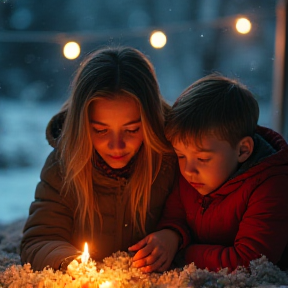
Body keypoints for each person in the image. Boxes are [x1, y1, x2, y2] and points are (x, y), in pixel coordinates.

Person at [20, 46, 178, 271]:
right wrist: (70, 263)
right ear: (82, 125)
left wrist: (173, 237)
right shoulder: (63, 167)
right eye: (101, 130)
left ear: (151, 122)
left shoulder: (171, 161)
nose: (116, 145)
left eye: (132, 129)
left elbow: (206, 224)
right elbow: (38, 240)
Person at [128, 73, 288, 273]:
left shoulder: (271, 186)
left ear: (243, 150)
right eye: (180, 156)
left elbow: (250, 262)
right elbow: (175, 216)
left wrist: (184, 252)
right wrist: (171, 235)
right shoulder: (193, 176)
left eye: (203, 159)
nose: (188, 170)